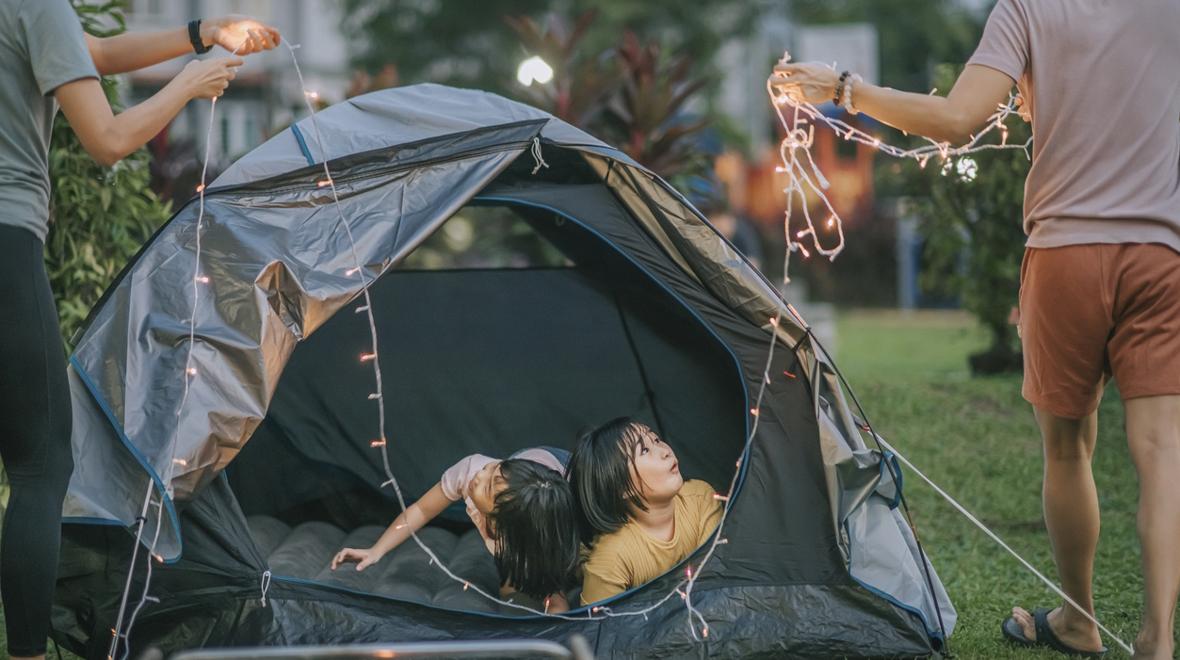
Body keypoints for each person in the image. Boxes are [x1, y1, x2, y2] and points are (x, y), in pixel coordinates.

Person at [771, 1, 1180, 657]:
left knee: (1068, 450)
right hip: (1163, 255)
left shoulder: (1027, 9)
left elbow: (957, 119)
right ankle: (1159, 640)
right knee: (1163, 453)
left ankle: (1079, 621)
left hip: (1067, 254)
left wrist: (844, 89)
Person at [0, 5, 279, 658]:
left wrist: (197, 35)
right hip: (5, 242)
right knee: (41, 465)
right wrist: (191, 82)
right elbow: (106, 139)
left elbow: (87, 57)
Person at [331, 448, 580, 612]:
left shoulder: (537, 531)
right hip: (531, 475)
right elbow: (421, 509)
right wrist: (376, 550)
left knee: (551, 585)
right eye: (492, 468)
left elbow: (555, 598)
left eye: (488, 485)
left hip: (565, 490)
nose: (481, 475)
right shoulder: (473, 469)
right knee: (512, 587)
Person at [567, 418, 722, 605]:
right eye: (645, 450)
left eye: (656, 439)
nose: (664, 451)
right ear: (623, 487)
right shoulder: (612, 557)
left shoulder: (701, 498)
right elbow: (599, 628)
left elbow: (716, 575)